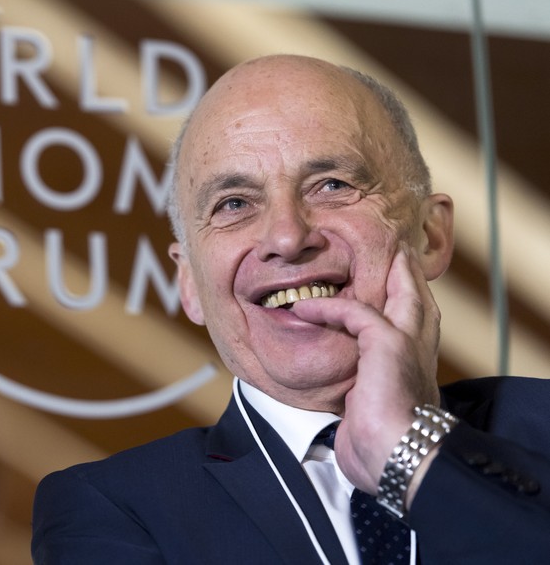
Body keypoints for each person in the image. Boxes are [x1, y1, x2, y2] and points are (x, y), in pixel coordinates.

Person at [31, 55, 550, 564]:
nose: (286, 237)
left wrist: (409, 451)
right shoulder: (113, 508)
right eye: (234, 203)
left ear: (430, 235)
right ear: (188, 282)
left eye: (332, 185)